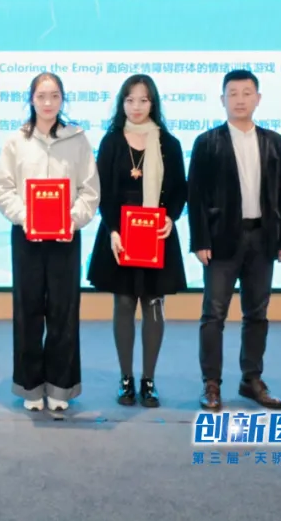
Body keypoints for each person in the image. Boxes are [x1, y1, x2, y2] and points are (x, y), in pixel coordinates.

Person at [0, 72, 100, 412]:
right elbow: (2, 188)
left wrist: (71, 220)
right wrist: (27, 218)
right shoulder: (16, 141)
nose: (48, 102)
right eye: (41, 96)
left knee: (63, 311)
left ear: (62, 99)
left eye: (54, 96)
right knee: (28, 309)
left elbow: (90, 190)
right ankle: (30, 386)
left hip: (66, 236)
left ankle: (60, 387)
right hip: (27, 236)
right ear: (31, 99)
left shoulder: (78, 140)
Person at [188, 69, 281, 412]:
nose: (240, 100)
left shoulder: (274, 141)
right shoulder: (207, 142)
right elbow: (196, 196)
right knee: (214, 314)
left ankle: (252, 379)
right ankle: (211, 383)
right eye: (232, 94)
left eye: (247, 93)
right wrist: (200, 240)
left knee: (257, 313)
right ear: (222, 99)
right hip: (221, 240)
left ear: (258, 99)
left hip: (263, 238)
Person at [88, 74, 187, 408]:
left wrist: (171, 217)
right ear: (122, 103)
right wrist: (113, 230)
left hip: (157, 233)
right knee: (124, 304)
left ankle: (149, 380)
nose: (136, 106)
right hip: (120, 234)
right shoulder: (112, 142)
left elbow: (179, 189)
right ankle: (126, 379)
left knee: (154, 303)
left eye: (143, 100)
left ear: (153, 103)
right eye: (130, 100)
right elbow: (101, 191)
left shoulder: (169, 144)